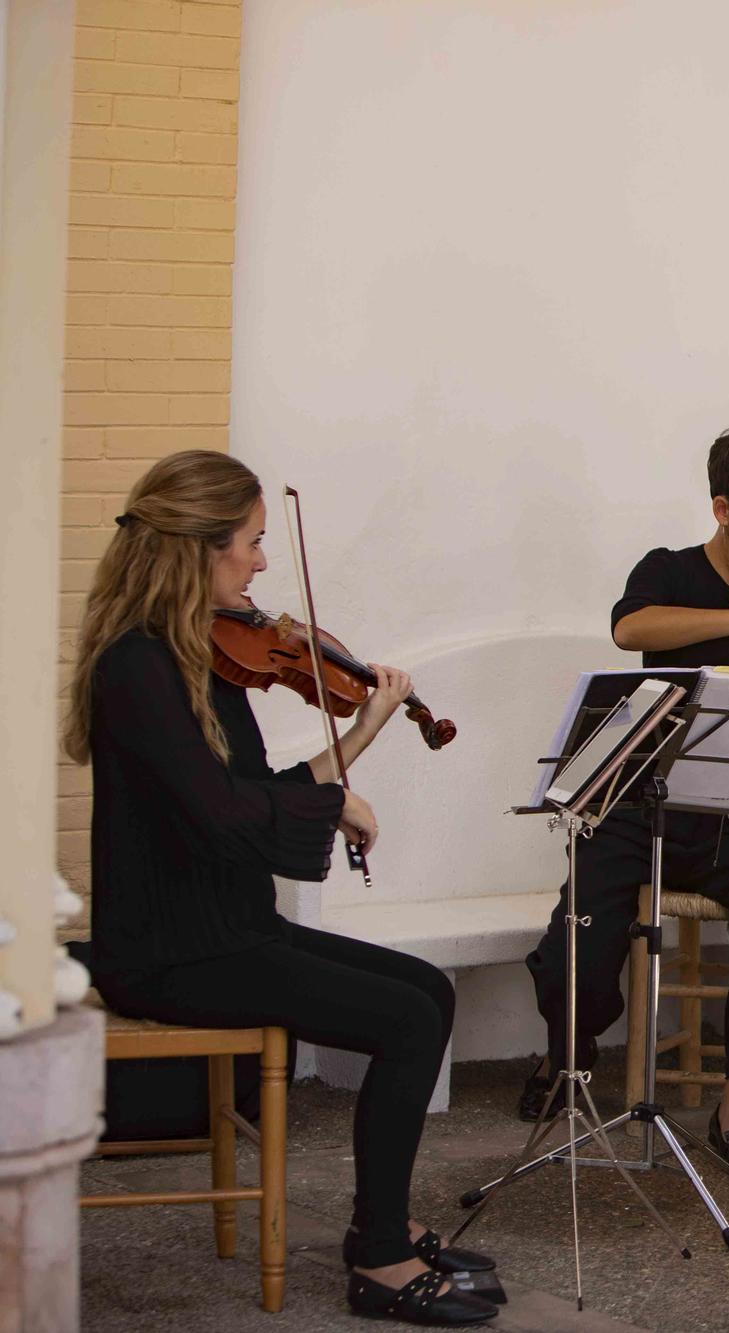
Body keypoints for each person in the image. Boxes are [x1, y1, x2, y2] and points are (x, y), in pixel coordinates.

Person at [67, 450, 497, 1325]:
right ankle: (378, 1256)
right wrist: (333, 800)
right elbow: (225, 815)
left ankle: (383, 1224)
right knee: (408, 1017)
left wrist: (364, 733)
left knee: (422, 988)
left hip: (225, 926)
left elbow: (253, 789)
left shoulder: (200, 657)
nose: (264, 564)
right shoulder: (138, 668)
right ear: (199, 549)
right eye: (253, 543)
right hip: (170, 949)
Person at [521, 421, 729, 1178]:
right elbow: (632, 628)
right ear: (723, 508)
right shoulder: (668, 572)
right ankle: (572, 1050)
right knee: (582, 918)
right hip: (649, 802)